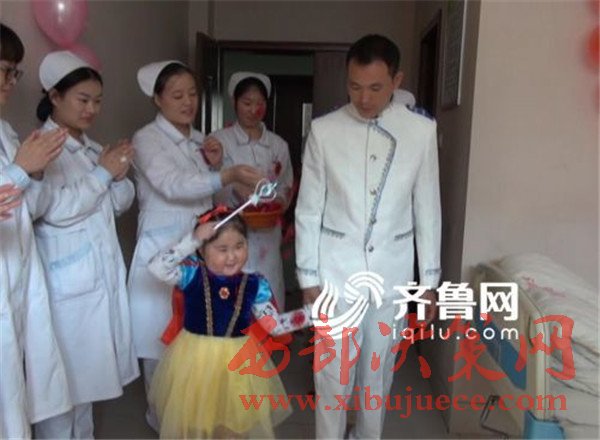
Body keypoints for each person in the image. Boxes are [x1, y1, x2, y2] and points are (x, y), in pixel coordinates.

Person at [295, 34, 441, 439]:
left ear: (397, 80)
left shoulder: (420, 131)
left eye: (375, 87)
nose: (363, 98)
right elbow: (308, 208)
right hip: (334, 272)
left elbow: (428, 209)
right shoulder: (324, 130)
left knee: (378, 373)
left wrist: (429, 283)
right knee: (332, 375)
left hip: (392, 273)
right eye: (355, 86)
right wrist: (307, 276)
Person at [128, 60, 265, 431]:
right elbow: (173, 184)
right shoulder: (146, 139)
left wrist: (219, 168)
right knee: (160, 348)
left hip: (202, 252)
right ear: (157, 99)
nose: (188, 102)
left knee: (196, 347)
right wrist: (226, 173)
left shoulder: (201, 141)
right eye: (177, 95)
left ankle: (194, 426)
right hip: (163, 252)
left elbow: (212, 197)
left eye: (192, 93)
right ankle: (164, 426)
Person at [30, 50, 139, 438]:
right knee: (63, 391)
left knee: (86, 390)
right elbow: (54, 209)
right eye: (83, 99)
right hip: (65, 284)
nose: (91, 109)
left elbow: (117, 204)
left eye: (97, 101)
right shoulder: (42, 148)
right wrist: (103, 175)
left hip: (94, 278)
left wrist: (118, 175)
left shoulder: (92, 149)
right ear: (55, 97)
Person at [147, 208, 312, 438]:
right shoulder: (190, 276)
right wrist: (192, 240)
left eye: (239, 246)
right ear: (202, 250)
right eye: (222, 249)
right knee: (199, 422)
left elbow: (274, 325)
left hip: (239, 365)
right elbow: (157, 267)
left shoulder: (254, 284)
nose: (232, 256)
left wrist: (311, 314)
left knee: (234, 425)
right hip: (196, 362)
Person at [0, 23, 72, 439]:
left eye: (15, 71)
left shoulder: (7, 133)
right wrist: (18, 171)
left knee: (15, 394)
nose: (11, 81)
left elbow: (32, 210)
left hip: (18, 276)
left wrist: (36, 173)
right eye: (5, 69)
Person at [212, 72, 293, 309]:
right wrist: (238, 194)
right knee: (233, 303)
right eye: (247, 103)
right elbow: (211, 186)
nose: (254, 109)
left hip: (268, 234)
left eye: (259, 103)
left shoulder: (278, 145)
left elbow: (285, 186)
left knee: (269, 298)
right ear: (234, 102)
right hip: (230, 232)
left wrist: (276, 204)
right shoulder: (219, 141)